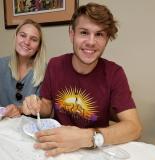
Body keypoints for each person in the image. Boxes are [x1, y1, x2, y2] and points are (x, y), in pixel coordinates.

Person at [21, 3, 142, 157]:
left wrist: (87, 138)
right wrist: (36, 104)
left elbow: (134, 127)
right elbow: (47, 106)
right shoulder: (55, 65)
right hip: (56, 148)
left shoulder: (114, 73)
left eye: (99, 34)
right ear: (72, 34)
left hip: (94, 150)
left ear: (107, 39)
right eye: (84, 32)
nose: (91, 42)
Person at [0, 19, 46, 117]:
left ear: (38, 47)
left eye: (34, 39)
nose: (27, 42)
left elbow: (45, 111)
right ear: (16, 37)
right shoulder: (1, 64)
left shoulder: (45, 71)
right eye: (23, 35)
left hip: (29, 128)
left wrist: (20, 109)